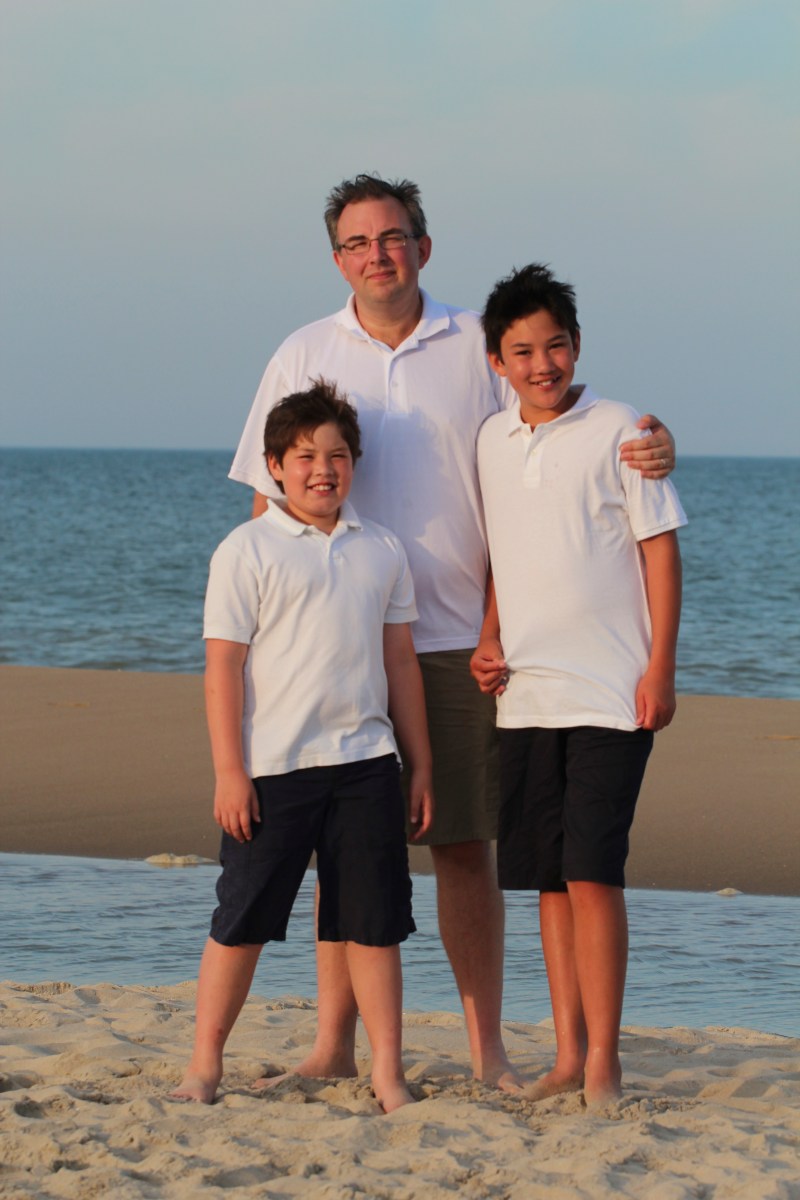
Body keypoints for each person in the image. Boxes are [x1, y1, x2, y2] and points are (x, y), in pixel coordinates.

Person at [229, 174, 677, 1092]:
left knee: (466, 845)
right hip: (338, 642)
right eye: (358, 243)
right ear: (337, 260)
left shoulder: (475, 344)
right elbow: (267, 498)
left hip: (458, 639)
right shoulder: (303, 351)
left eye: (393, 237)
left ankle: (488, 1052)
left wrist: (650, 442)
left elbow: (550, 425)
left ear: (422, 247)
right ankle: (333, 1046)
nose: (378, 255)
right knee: (343, 851)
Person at [173, 381, 433, 1111]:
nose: (324, 469)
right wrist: (230, 771)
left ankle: (387, 1073)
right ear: (275, 467)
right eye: (305, 456)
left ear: (355, 463)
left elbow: (401, 663)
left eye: (338, 455)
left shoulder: (381, 548)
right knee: (242, 919)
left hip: (367, 767)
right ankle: (204, 1067)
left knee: (375, 926)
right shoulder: (246, 549)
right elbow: (223, 667)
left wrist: (420, 766)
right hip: (273, 770)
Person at [471, 263, 686, 1106]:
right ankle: (566, 1055)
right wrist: (489, 636)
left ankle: (604, 1063)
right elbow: (503, 553)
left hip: (611, 692)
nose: (542, 364)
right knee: (548, 883)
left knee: (594, 873)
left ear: (578, 345)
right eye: (523, 352)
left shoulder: (621, 429)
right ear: (497, 362)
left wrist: (660, 667)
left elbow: (659, 551)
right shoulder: (491, 441)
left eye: (555, 346)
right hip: (525, 695)